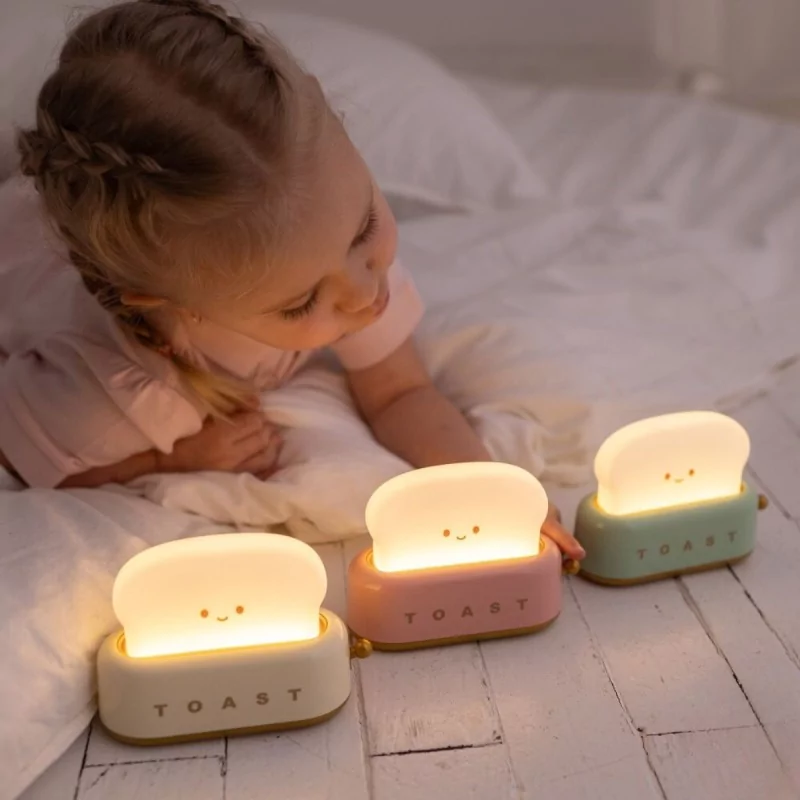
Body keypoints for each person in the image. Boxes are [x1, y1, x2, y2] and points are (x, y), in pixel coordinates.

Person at [0, 0, 584, 559]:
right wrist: (165, 461)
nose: (364, 296)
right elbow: (22, 456)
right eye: (302, 302)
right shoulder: (108, 389)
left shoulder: (319, 243)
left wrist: (491, 491)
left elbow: (399, 391)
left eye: (366, 227)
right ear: (173, 302)